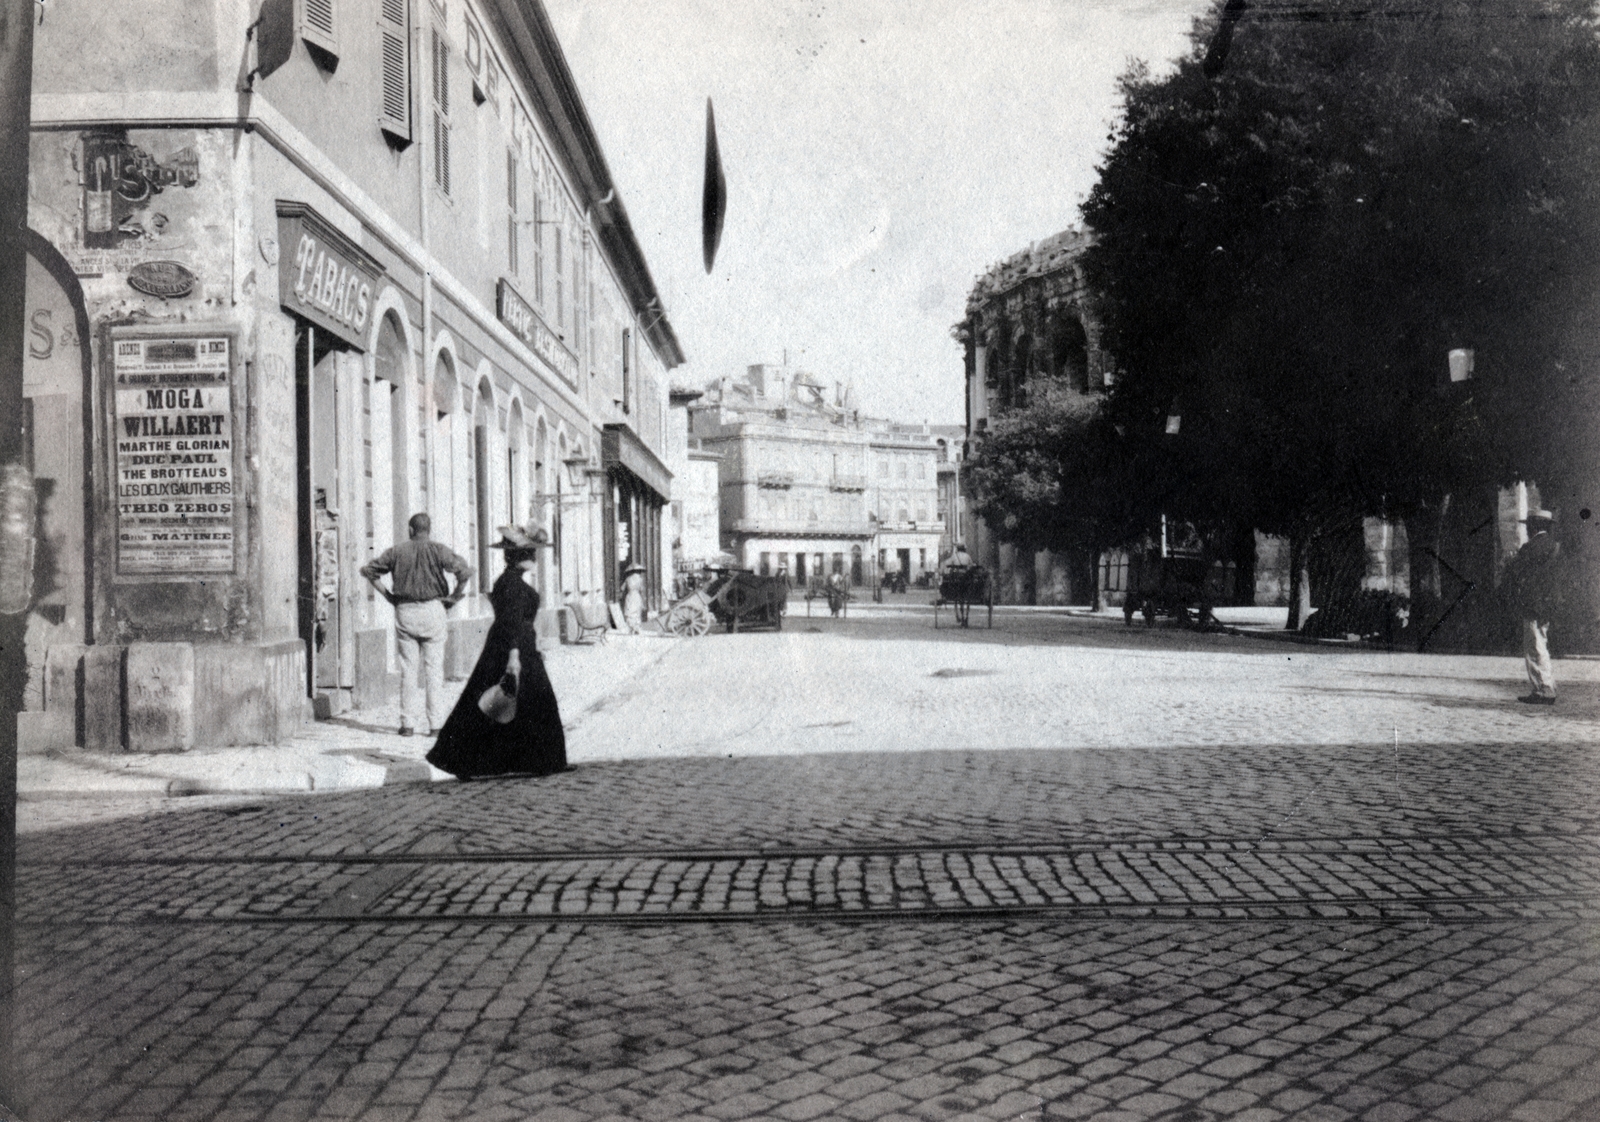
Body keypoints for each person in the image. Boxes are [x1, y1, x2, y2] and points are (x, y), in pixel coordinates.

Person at [427, 525, 567, 778]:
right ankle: (539, 761)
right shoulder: (511, 584)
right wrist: (514, 656)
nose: (534, 558)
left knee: (522, 703)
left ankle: (535, 761)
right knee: (513, 701)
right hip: (511, 647)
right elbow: (510, 620)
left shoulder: (510, 580)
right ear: (516, 557)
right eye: (528, 554)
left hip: (517, 645)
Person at [361, 513, 473, 736]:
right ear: (428, 530)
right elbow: (464, 571)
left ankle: (407, 724)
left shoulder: (396, 551)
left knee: (408, 670)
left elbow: (369, 571)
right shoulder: (439, 549)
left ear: (411, 529)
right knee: (434, 671)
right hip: (433, 609)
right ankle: (435, 725)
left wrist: (389, 597)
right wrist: (453, 596)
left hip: (405, 610)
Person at [1502, 509, 1563, 705]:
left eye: (1529, 525)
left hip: (1532, 603)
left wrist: (1510, 561)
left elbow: (1515, 571)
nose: (1527, 529)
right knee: (1541, 644)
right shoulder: (1554, 546)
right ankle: (1548, 685)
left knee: (1534, 646)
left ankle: (1543, 689)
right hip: (1548, 603)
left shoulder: (1531, 547)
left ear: (1535, 526)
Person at [621, 562, 646, 632]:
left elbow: (622, 588)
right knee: (637, 612)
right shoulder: (640, 579)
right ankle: (637, 627)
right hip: (637, 595)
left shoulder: (628, 578)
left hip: (630, 595)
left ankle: (631, 627)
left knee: (630, 611)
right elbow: (641, 589)